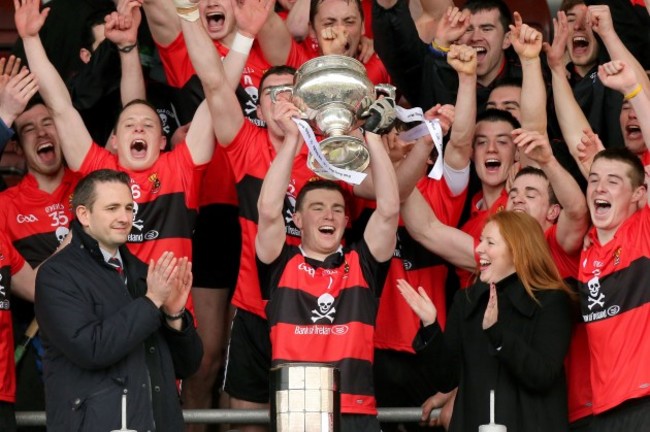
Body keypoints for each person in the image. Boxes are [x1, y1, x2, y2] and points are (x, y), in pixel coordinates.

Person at [255, 93, 399, 431]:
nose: (329, 214)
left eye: (337, 209)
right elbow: (267, 210)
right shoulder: (281, 263)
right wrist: (292, 139)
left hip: (356, 410)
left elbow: (390, 210)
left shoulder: (361, 264)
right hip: (298, 410)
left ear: (347, 221)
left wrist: (374, 139)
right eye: (317, 207)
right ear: (299, 220)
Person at [34, 169, 203, 432]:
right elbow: (91, 349)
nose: (124, 218)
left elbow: (187, 366)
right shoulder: (56, 274)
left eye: (128, 208)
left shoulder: (144, 273)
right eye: (112, 208)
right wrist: (151, 302)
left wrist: (174, 315)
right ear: (83, 215)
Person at [398, 211, 573, 432]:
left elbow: (542, 374)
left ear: (517, 250)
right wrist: (430, 326)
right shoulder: (467, 301)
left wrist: (498, 335)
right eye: (481, 240)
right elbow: (446, 378)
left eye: (490, 242)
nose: (479, 249)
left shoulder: (551, 301)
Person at [578, 147, 650, 430]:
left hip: (644, 399)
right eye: (593, 179)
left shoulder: (643, 231)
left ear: (638, 194)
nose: (599, 187)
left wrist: (635, 98)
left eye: (613, 181)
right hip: (604, 408)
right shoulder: (587, 247)